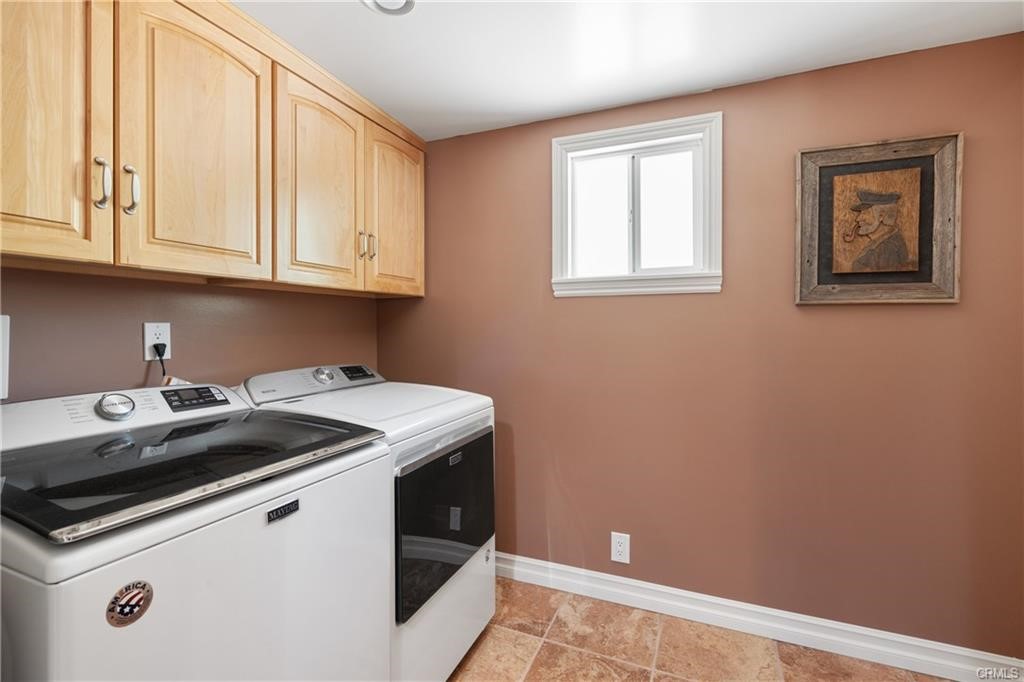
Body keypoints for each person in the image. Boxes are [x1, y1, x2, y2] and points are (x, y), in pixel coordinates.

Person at [842, 190, 909, 272]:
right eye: (860, 213)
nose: (858, 219)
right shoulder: (880, 242)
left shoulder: (888, 249)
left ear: (881, 216)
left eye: (865, 213)